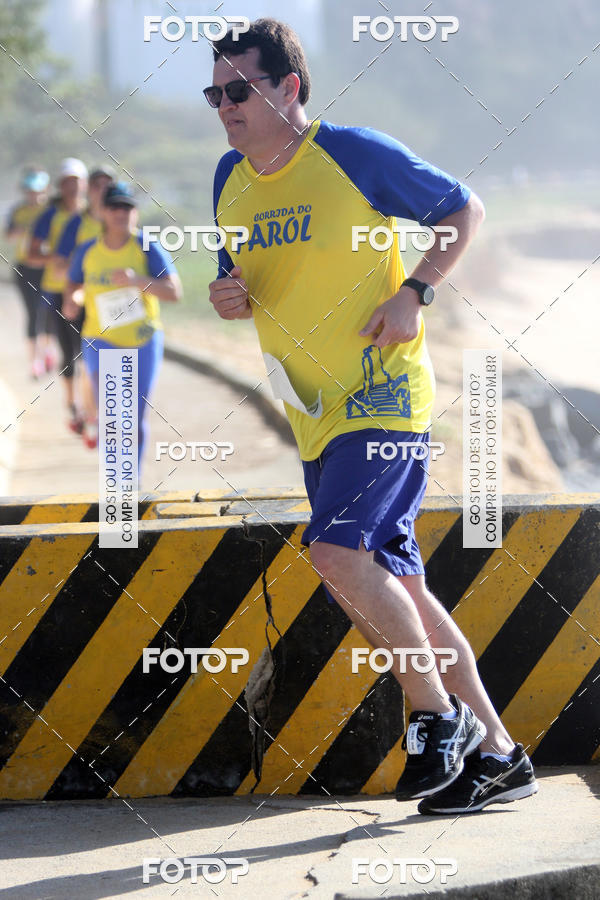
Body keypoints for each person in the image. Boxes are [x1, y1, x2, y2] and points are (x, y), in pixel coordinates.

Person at [207, 18, 538, 814]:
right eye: (214, 93)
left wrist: (414, 293)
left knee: (333, 552)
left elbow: (464, 210)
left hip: (384, 399)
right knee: (401, 587)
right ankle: (499, 753)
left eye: (239, 90)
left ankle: (436, 715)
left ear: (289, 87)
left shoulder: (353, 153)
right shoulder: (228, 176)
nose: (224, 107)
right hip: (313, 412)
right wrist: (230, 293)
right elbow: (235, 276)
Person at [63, 181, 181, 465]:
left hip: (143, 339)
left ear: (135, 213)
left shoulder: (147, 247)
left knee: (135, 416)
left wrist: (136, 281)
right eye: (115, 207)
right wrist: (72, 300)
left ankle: (132, 482)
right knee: (114, 412)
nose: (121, 213)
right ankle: (115, 481)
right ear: (103, 212)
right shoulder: (88, 250)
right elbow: (73, 284)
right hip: (101, 339)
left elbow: (174, 292)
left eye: (127, 208)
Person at [54, 166, 115, 438]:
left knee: (111, 361)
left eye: (108, 186)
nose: (103, 191)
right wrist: (82, 277)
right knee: (86, 361)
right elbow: (57, 267)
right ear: (88, 191)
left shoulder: (122, 218)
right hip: (82, 302)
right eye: (97, 186)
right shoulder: (76, 224)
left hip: (115, 304)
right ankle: (93, 417)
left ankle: (102, 417)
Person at [28, 158, 88, 430]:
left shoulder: (93, 215)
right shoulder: (50, 215)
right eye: (67, 182)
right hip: (56, 290)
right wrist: (57, 258)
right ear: (60, 186)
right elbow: (31, 253)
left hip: (89, 292)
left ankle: (89, 407)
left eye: (76, 182)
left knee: (88, 350)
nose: (72, 187)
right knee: (69, 351)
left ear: (84, 185)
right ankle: (71, 403)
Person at [5, 167, 50, 377]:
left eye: (37, 191)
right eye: (30, 191)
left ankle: (47, 350)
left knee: (48, 310)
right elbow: (8, 236)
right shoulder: (18, 210)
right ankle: (35, 360)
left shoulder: (50, 211)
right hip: (24, 268)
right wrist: (22, 230)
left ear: (45, 190)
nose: (33, 195)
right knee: (32, 312)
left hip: (47, 268)